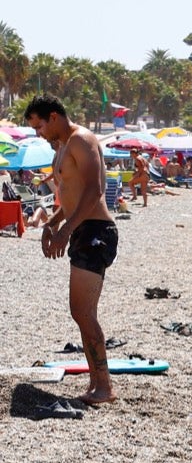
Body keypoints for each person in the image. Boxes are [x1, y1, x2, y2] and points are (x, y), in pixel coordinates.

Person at [25, 95, 118, 405]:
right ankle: (97, 384)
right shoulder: (62, 148)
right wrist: (52, 224)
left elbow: (95, 190)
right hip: (81, 229)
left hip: (96, 231)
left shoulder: (81, 139)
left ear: (54, 116)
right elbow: (71, 197)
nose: (38, 132)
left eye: (39, 125)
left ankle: (103, 386)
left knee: (84, 312)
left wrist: (65, 230)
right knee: (80, 312)